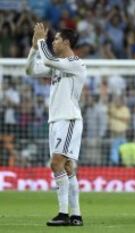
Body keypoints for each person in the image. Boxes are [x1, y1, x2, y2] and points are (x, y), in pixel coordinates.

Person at [25, 23, 86, 226]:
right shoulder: (56, 66)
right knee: (67, 167)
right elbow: (30, 70)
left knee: (56, 163)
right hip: (55, 121)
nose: (54, 41)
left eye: (57, 39)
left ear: (67, 42)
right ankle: (76, 215)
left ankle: (63, 214)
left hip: (68, 119)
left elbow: (49, 59)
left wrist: (42, 40)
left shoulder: (75, 63)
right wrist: (34, 47)